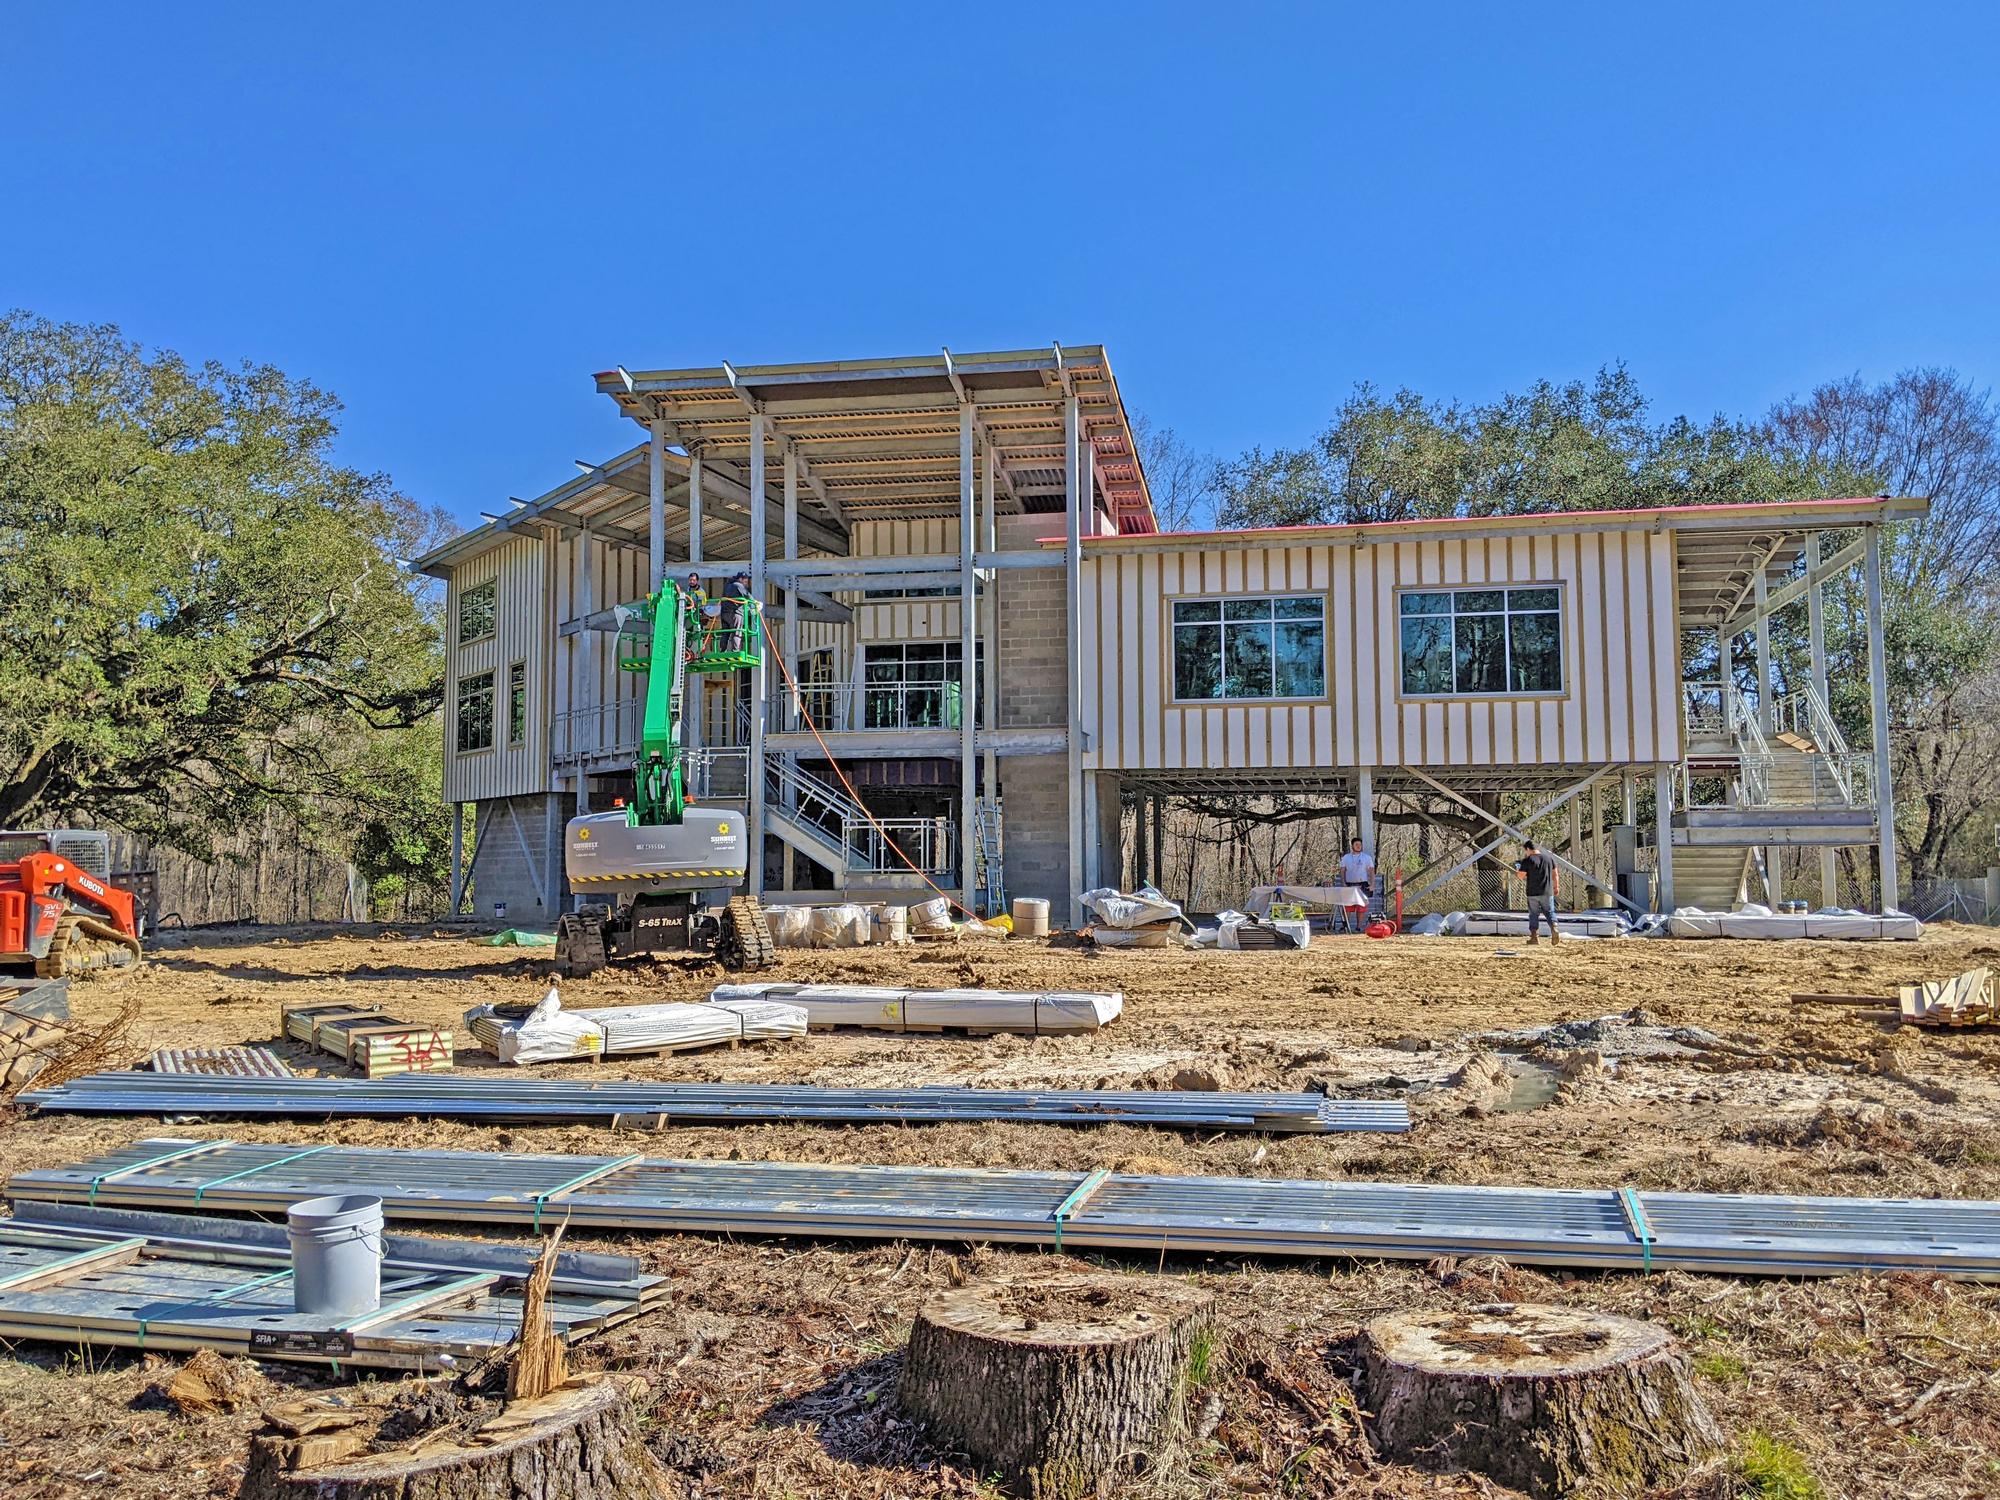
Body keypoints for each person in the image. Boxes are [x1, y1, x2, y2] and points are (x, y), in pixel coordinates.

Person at [1514, 839, 1561, 945]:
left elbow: (1521, 876)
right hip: (1547, 891)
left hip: (1532, 892)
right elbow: (1555, 874)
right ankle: (1554, 928)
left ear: (1527, 849)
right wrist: (1556, 886)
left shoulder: (1527, 860)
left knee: (1533, 914)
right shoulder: (1549, 858)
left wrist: (1517, 870)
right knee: (1550, 912)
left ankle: (1534, 937)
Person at [1337, 837, 1375, 934]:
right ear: (1352, 846)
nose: (1358, 846)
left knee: (1361, 907)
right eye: (1356, 845)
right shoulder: (1346, 857)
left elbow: (1371, 871)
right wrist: (1343, 883)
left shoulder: (1366, 858)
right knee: (1347, 907)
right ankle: (1345, 926)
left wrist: (1372, 884)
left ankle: (1358, 927)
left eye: (1360, 845)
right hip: (1349, 884)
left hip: (1362, 885)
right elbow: (1342, 871)